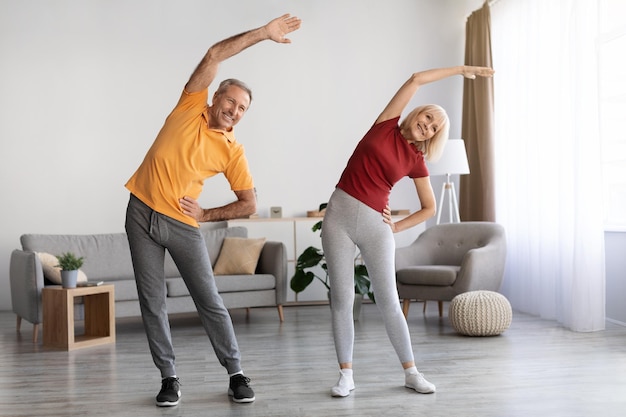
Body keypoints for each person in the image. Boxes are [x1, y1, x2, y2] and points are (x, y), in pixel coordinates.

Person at [124, 13, 302, 407]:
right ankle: (168, 378)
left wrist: (206, 215)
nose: (235, 111)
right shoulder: (189, 106)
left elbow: (249, 203)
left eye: (243, 109)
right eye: (232, 102)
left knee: (209, 301)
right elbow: (214, 53)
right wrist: (263, 34)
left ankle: (236, 373)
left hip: (183, 224)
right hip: (139, 212)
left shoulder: (232, 150)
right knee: (152, 301)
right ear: (216, 96)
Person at [321, 65, 495, 397]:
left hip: (375, 226)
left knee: (387, 299)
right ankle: (346, 375)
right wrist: (462, 70)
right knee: (342, 299)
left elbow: (429, 208)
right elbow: (415, 79)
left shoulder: (416, 160)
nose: (426, 126)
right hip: (338, 220)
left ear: (433, 136)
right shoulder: (385, 124)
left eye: (433, 128)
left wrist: (397, 225)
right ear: (417, 113)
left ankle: (411, 372)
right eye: (427, 117)